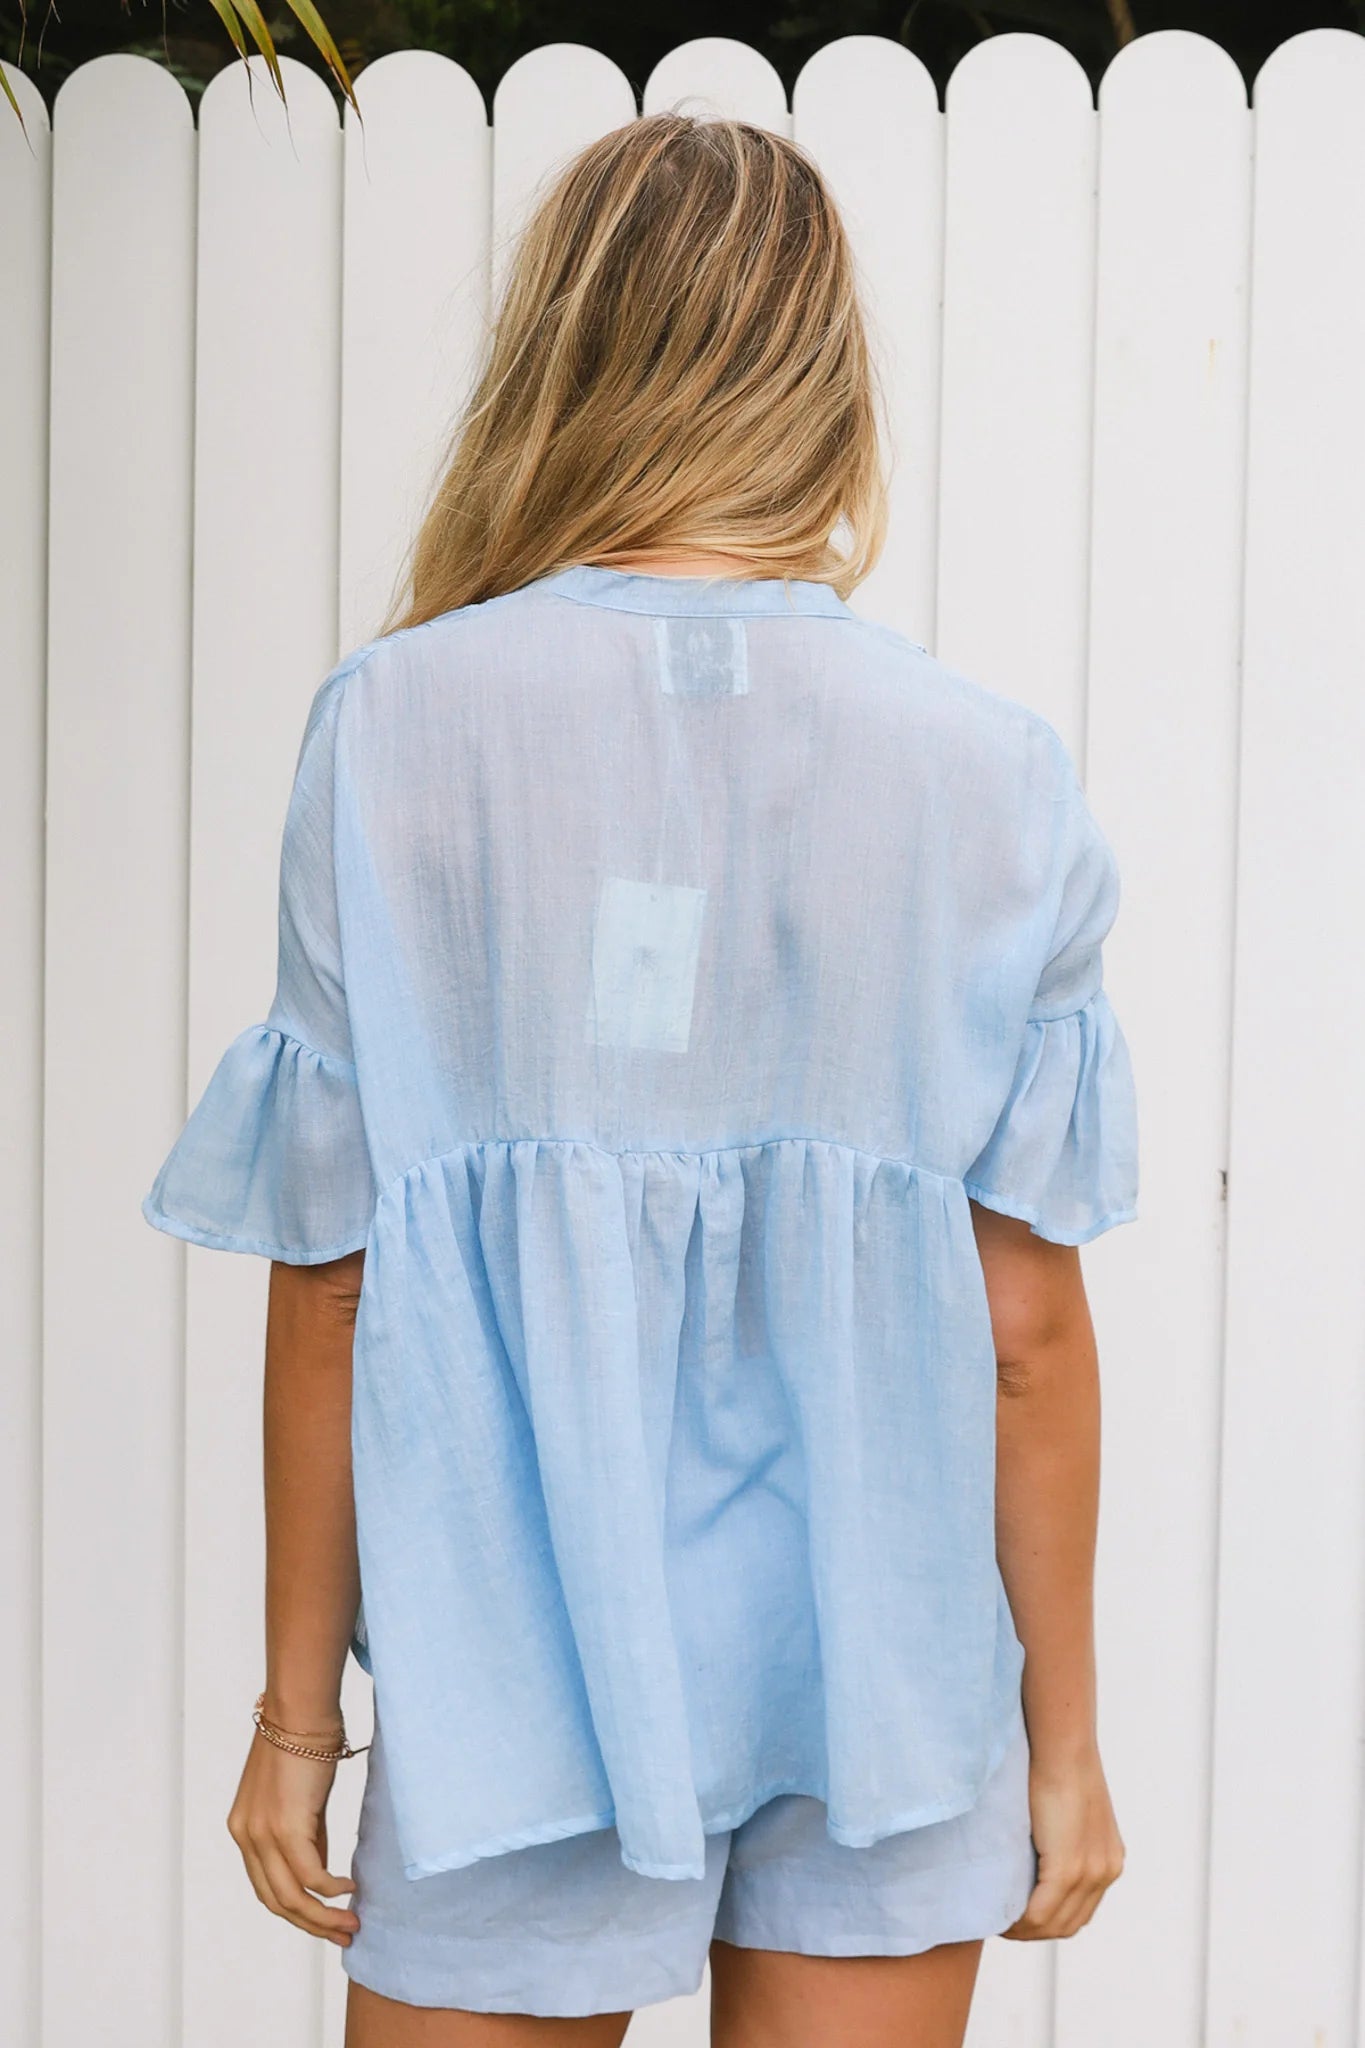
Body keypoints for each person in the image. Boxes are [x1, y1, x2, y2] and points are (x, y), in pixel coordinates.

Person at [141, 110, 1137, 2048]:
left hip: (512, 1671)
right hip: (882, 1682)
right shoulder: (988, 770)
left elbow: (332, 1284)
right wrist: (1066, 1738)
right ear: (820, 374)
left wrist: (295, 1719)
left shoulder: (395, 726)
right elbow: (1024, 1327)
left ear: (563, 353)